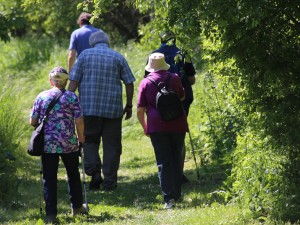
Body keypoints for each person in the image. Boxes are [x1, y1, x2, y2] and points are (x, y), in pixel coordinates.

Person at [68, 30, 135, 192]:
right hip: (113, 111)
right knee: (112, 145)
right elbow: (129, 83)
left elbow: (73, 82)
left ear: (92, 43)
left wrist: (69, 103)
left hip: (89, 109)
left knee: (89, 141)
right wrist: (129, 105)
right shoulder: (117, 57)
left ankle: (95, 173)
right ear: (107, 42)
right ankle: (110, 182)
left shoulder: (83, 56)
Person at [29, 66, 86, 224]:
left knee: (49, 178)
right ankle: (76, 208)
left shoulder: (41, 96)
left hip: (47, 144)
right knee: (73, 175)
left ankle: (51, 215)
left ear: (51, 81)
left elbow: (32, 121)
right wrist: (81, 137)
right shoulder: (72, 97)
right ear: (66, 81)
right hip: (69, 143)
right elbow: (79, 120)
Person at [137, 52, 188, 209]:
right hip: (177, 124)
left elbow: (140, 110)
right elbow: (181, 97)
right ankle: (177, 193)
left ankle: (168, 199)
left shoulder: (145, 82)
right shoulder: (174, 77)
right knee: (176, 158)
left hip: (156, 126)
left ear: (150, 67)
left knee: (163, 162)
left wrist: (145, 127)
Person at [145, 31, 196, 184]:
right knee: (178, 135)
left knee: (162, 136)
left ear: (161, 39)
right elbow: (191, 79)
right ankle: (178, 173)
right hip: (181, 99)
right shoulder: (183, 53)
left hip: (158, 102)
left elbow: (147, 80)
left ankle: (166, 172)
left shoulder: (154, 56)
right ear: (175, 39)